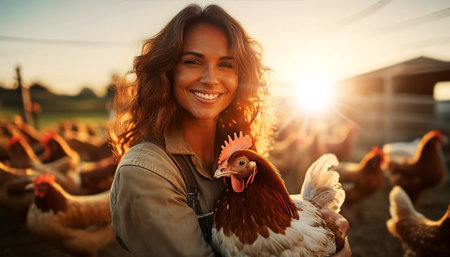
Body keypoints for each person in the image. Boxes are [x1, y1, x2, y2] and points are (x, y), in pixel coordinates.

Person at [109, 4, 351, 257]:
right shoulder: (144, 174)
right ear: (167, 71)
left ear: (240, 77)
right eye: (193, 61)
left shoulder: (229, 150)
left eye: (226, 64)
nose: (211, 78)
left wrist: (319, 218)